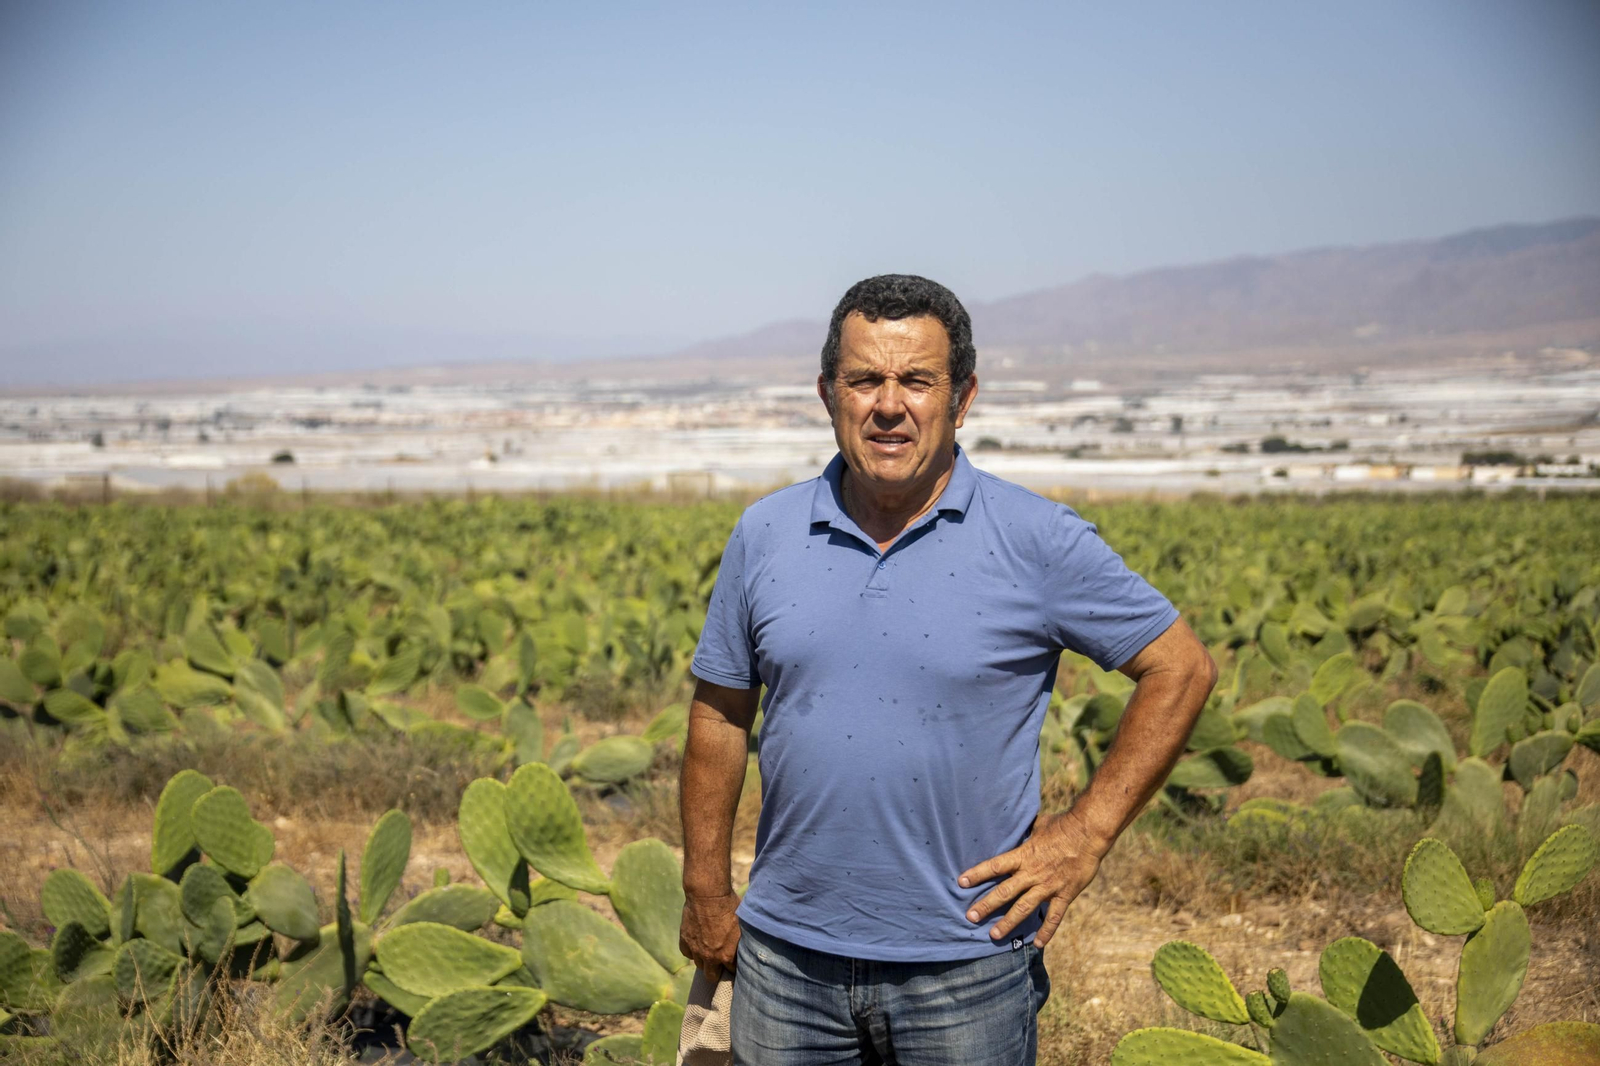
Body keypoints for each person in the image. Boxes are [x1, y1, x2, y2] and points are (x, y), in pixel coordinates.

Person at [678, 274, 1217, 1065]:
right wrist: (704, 888)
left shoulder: (1036, 538)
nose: (888, 405)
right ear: (828, 393)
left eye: (916, 381)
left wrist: (1086, 834)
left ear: (961, 399)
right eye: (864, 379)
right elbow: (718, 714)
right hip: (786, 960)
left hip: (966, 965)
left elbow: (1182, 667)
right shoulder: (765, 533)